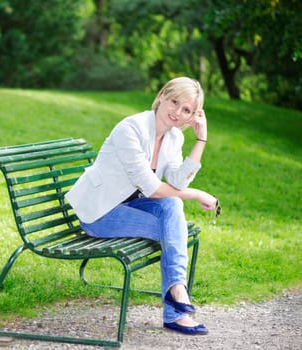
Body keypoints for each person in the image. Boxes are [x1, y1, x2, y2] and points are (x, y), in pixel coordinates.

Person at [65, 76, 218, 335]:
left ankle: (176, 297)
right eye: (174, 102)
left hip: (131, 206)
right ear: (161, 96)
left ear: (192, 117)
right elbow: (154, 188)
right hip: (100, 213)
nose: (177, 112)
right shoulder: (131, 128)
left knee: (172, 207)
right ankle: (177, 306)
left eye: (187, 110)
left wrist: (200, 140)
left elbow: (177, 181)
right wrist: (197, 194)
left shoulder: (173, 138)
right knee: (172, 225)